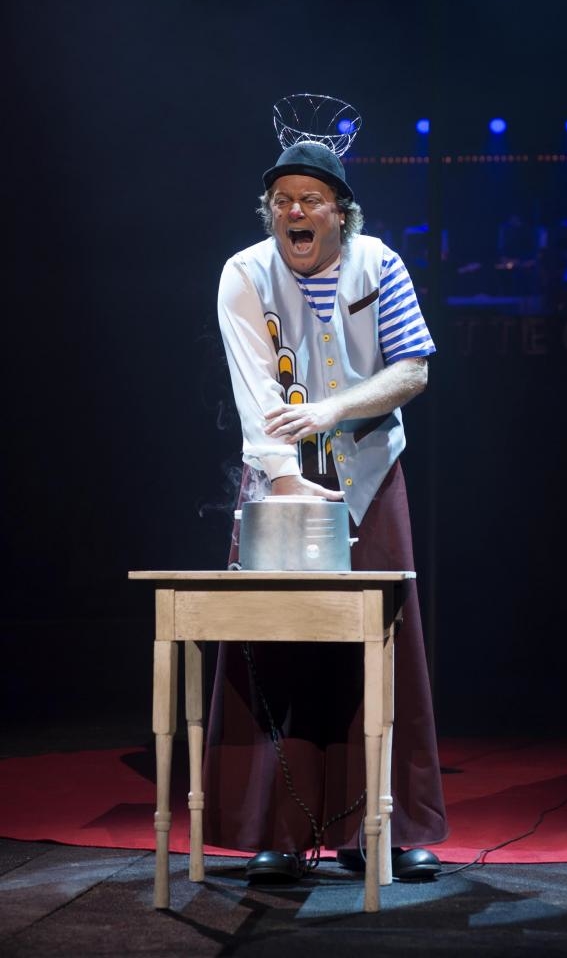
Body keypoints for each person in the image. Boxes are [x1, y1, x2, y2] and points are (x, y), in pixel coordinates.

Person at [202, 139, 448, 882]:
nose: (294, 212)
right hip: (280, 476)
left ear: (341, 212)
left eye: (310, 200)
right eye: (281, 202)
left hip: (367, 474)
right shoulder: (245, 273)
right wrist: (283, 480)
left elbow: (412, 369)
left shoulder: (380, 265)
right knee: (277, 643)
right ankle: (278, 832)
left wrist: (332, 411)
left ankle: (386, 829)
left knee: (382, 643)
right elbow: (254, 388)